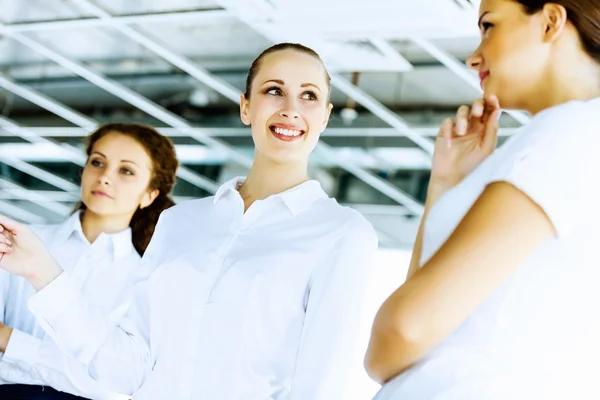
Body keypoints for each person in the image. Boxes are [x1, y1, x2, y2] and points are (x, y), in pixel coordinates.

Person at [0, 43, 379, 399]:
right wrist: (42, 270)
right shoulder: (180, 222)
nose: (291, 109)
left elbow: (323, 386)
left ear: (326, 116)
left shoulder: (342, 234)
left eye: (309, 95)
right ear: (246, 107)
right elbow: (129, 369)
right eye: (274, 90)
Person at [365, 0, 600, 399]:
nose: (474, 58)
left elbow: (403, 331)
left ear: (550, 22)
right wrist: (447, 183)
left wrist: (388, 343)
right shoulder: (567, 138)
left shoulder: (570, 134)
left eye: (488, 26)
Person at [0, 122, 178, 399]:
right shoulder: (19, 238)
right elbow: (93, 371)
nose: (105, 176)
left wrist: (11, 341)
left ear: (149, 195)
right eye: (97, 162)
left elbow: (120, 382)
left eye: (126, 170)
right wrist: (74, 365)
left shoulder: (147, 278)